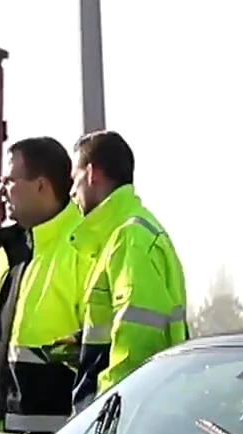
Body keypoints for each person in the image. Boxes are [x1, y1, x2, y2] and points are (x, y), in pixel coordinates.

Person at [0, 136, 91, 434]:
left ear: (41, 185)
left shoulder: (84, 247)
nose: (0, 191)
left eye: (9, 180)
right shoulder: (10, 253)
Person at [66, 130, 190, 409]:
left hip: (123, 415)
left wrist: (107, 415)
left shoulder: (129, 237)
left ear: (91, 173)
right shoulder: (123, 235)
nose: (71, 192)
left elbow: (136, 345)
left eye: (73, 179)